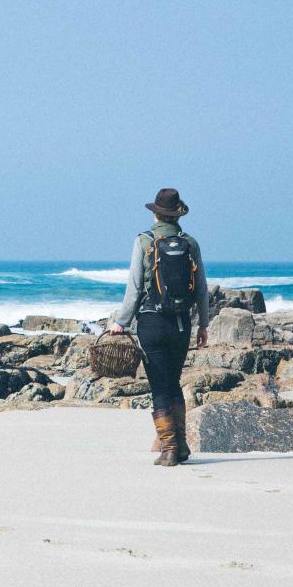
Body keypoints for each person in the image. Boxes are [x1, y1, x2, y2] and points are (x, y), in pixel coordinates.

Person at [108, 188, 210, 466]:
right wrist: (203, 324)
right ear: (177, 214)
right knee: (173, 382)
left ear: (155, 213)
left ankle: (169, 450)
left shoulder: (144, 241)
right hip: (181, 324)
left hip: (151, 323)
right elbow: (201, 288)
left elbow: (134, 287)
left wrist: (121, 322)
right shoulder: (190, 243)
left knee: (159, 386)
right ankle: (182, 445)